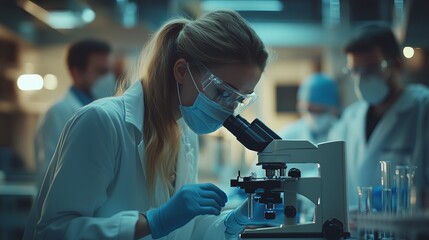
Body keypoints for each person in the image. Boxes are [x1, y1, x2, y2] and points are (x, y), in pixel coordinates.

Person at [24, 10, 281, 240]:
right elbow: (52, 231)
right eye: (223, 92)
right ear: (182, 71)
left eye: (238, 100)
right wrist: (151, 222)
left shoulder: (184, 133)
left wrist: (234, 221)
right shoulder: (101, 122)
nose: (229, 109)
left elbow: (185, 232)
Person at [329, 24, 429, 210]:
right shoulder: (350, 118)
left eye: (371, 69)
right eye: (355, 71)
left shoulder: (423, 108)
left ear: (396, 65)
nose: (361, 78)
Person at [34, 39, 116, 185]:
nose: (107, 78)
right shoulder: (59, 112)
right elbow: (49, 175)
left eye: (108, 72)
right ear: (76, 72)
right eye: (101, 72)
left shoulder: (106, 110)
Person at [278, 73, 339, 144]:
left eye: (321, 111)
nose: (316, 117)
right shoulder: (287, 136)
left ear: (334, 109)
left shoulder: (345, 133)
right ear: (301, 107)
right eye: (311, 110)